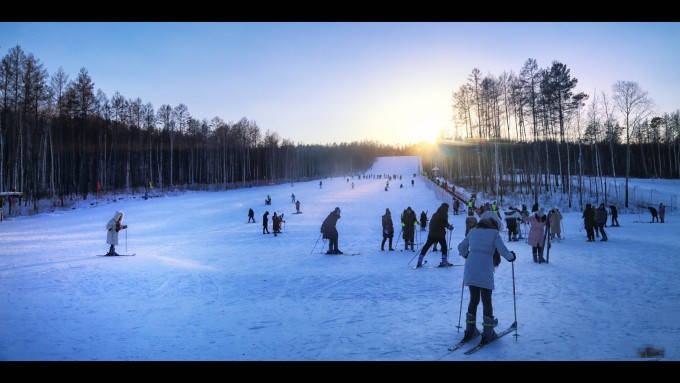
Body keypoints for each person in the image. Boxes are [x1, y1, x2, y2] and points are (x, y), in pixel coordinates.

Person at [457, 211, 516, 344]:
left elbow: (461, 248)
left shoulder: (473, 231)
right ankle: (488, 332)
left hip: (471, 269)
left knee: (474, 299)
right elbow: (504, 252)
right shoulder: (494, 234)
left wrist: (468, 256)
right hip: (485, 270)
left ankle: (470, 330)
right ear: (495, 223)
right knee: (486, 300)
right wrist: (512, 256)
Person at [415, 203, 454, 268]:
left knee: (426, 246)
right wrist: (450, 227)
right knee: (444, 247)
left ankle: (419, 261)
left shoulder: (435, 214)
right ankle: (444, 261)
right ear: (446, 208)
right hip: (440, 234)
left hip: (431, 233)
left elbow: (431, 223)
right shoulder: (444, 214)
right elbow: (445, 223)